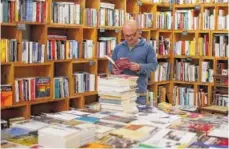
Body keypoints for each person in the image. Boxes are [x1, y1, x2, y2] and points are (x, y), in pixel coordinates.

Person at [108, 20, 158, 105]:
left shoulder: (148, 47)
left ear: (138, 33)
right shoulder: (118, 47)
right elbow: (111, 65)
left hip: (138, 93)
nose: (129, 38)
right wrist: (113, 70)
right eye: (126, 36)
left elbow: (154, 66)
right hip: (120, 91)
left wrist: (140, 67)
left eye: (132, 35)